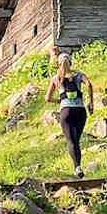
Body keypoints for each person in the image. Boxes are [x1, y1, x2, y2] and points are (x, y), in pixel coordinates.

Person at [44, 50, 94, 178]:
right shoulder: (78, 75)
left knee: (71, 141)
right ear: (70, 63)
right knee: (76, 140)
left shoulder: (56, 79)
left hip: (66, 111)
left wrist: (60, 100)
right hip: (80, 111)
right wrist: (90, 102)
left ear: (58, 64)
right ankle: (78, 166)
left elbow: (47, 98)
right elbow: (89, 84)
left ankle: (77, 167)